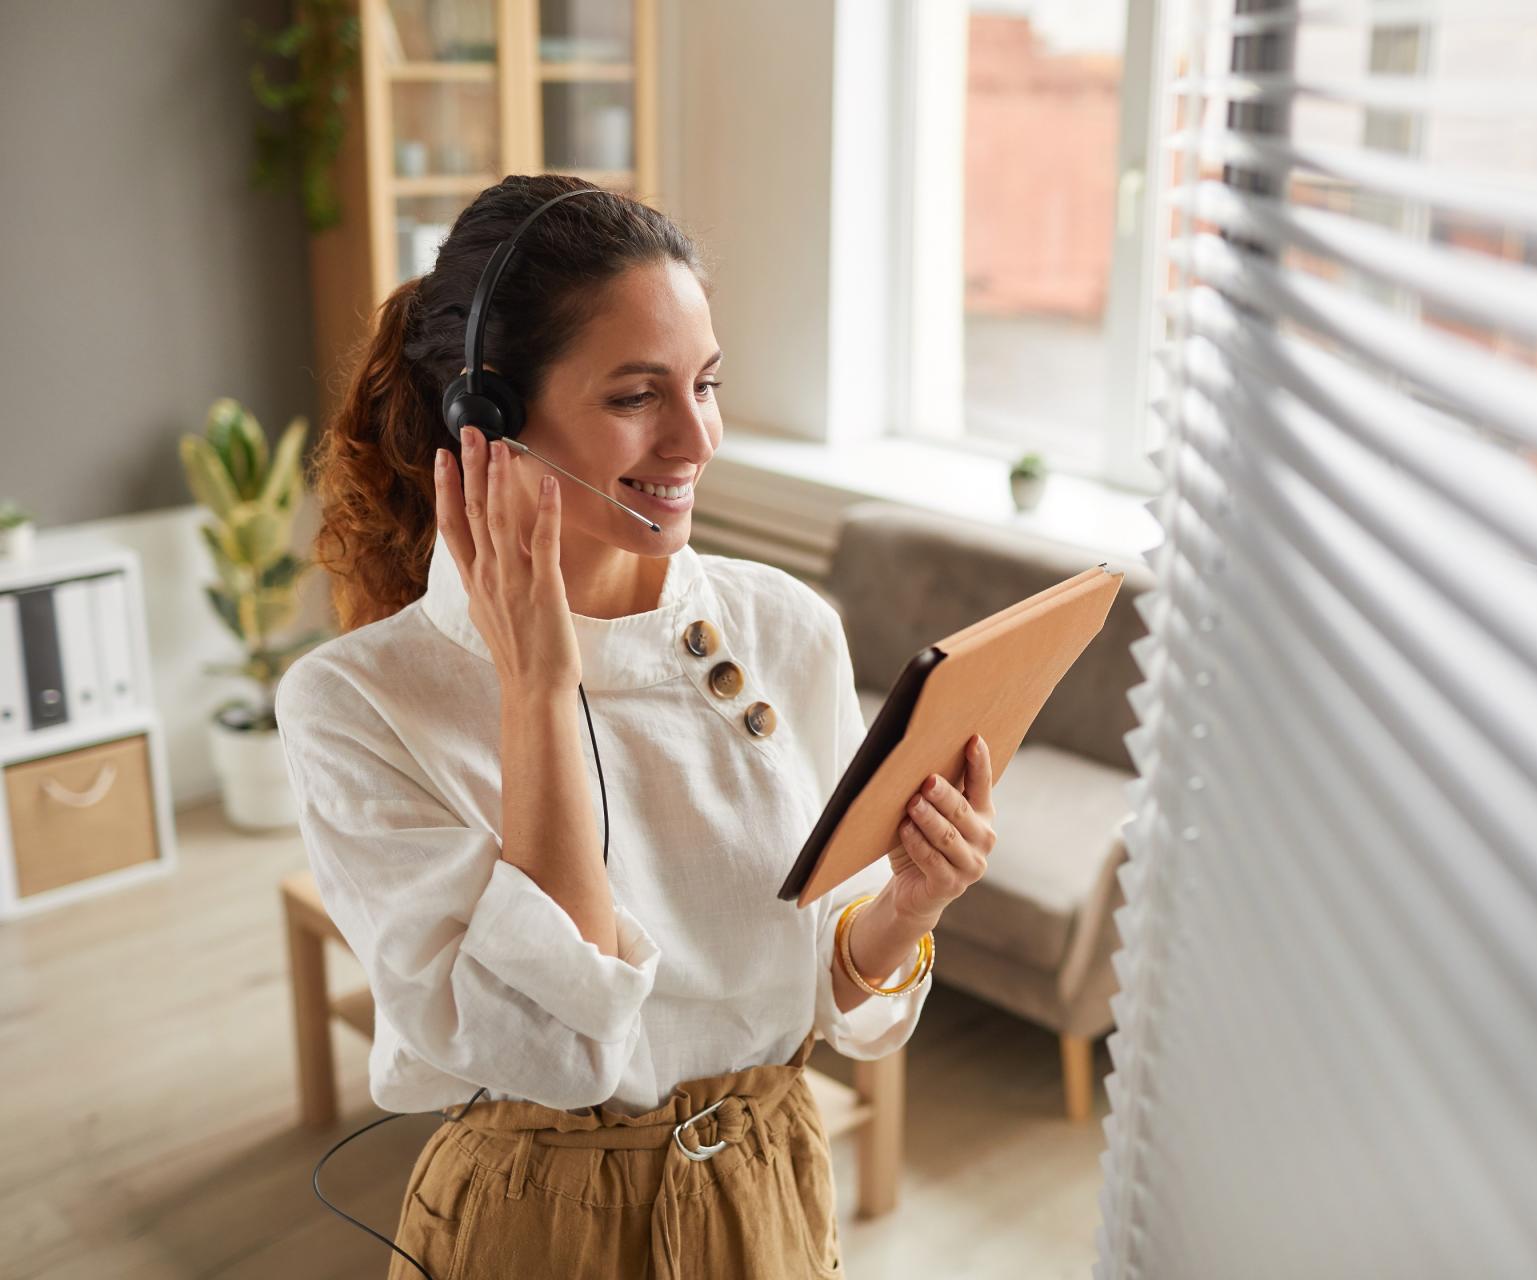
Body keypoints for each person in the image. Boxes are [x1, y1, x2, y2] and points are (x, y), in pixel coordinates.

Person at [274, 173, 998, 1278]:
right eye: (634, 396)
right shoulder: (357, 703)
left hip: (769, 1186)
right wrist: (538, 683)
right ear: (488, 421)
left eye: (706, 383)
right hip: (538, 1218)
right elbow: (557, 1049)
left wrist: (907, 903)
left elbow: (824, 990)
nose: (696, 438)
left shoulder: (786, 628)